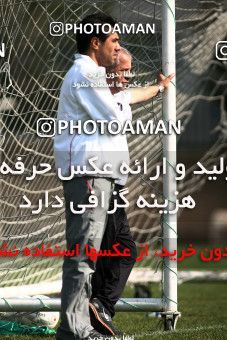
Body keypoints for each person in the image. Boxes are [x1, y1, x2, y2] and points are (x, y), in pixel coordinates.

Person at [89, 48, 174, 336]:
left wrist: (160, 87)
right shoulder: (96, 96)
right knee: (125, 251)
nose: (127, 75)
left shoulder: (121, 95)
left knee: (106, 253)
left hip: (114, 185)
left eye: (130, 70)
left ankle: (95, 318)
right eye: (123, 70)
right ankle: (101, 306)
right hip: (100, 184)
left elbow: (139, 93)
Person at [54, 13, 123, 340]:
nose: (118, 49)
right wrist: (119, 91)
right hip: (88, 174)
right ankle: (74, 329)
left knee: (86, 253)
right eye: (114, 41)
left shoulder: (88, 73)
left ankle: (75, 326)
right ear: (95, 42)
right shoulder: (87, 73)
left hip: (92, 173)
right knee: (83, 254)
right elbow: (114, 119)